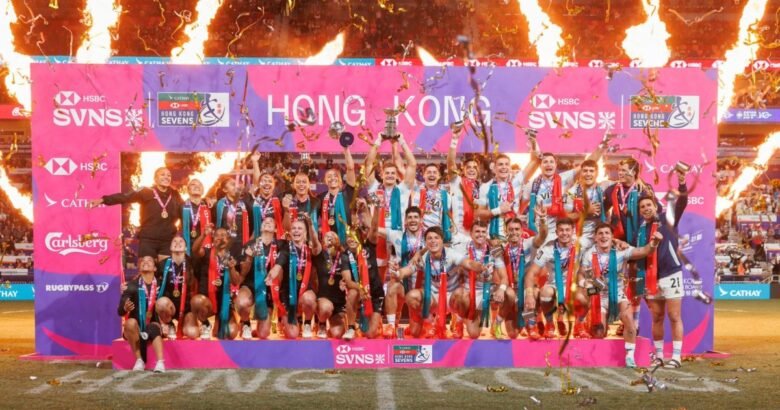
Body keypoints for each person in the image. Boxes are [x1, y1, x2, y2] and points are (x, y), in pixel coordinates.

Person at [578, 223, 661, 367]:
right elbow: (581, 273)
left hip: (618, 294)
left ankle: (630, 356)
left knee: (629, 320)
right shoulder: (589, 254)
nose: (604, 236)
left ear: (612, 236)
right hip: (599, 296)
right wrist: (585, 283)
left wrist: (654, 242)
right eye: (600, 233)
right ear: (595, 237)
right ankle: (590, 322)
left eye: (607, 233)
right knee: (598, 332)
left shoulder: (621, 251)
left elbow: (643, 251)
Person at [640, 168, 689, 368]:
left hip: (671, 273)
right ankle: (659, 356)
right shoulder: (641, 230)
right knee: (657, 317)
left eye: (648, 205)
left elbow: (682, 202)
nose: (646, 208)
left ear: (655, 205)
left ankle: (676, 357)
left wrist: (682, 183)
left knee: (674, 316)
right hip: (652, 277)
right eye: (642, 207)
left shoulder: (667, 218)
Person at [401, 227, 486, 339]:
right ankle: (430, 322)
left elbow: (469, 263)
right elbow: (408, 269)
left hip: (452, 299)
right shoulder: (423, 257)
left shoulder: (452, 254)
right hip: (433, 299)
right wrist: (397, 273)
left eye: (436, 238)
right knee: (412, 301)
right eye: (429, 238)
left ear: (442, 240)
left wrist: (481, 267)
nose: (433, 241)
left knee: (474, 333)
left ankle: (459, 322)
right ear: (425, 242)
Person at [91, 167, 182, 261]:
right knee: (147, 266)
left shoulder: (175, 194)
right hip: (148, 240)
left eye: (169, 175)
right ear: (155, 178)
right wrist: (104, 200)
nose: (166, 177)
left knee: (166, 268)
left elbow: (184, 211)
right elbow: (125, 197)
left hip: (167, 241)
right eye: (162, 174)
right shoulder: (145, 191)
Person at [523, 144, 605, 241]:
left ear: (555, 165)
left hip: (562, 232)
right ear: (540, 166)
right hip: (540, 231)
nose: (548, 164)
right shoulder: (532, 185)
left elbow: (585, 165)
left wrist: (603, 146)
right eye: (545, 162)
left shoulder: (564, 179)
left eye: (551, 162)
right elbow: (521, 205)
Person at [364, 132, 417, 280]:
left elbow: (412, 164)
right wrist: (379, 140)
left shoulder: (403, 189)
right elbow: (368, 164)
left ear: (396, 175)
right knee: (377, 278)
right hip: (378, 236)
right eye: (387, 173)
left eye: (393, 173)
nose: (390, 175)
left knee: (397, 277)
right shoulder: (374, 189)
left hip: (398, 236)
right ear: (381, 174)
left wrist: (402, 141)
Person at [523, 217, 579, 339]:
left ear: (573, 231)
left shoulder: (580, 245)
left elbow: (601, 242)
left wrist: (617, 242)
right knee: (539, 294)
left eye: (567, 230)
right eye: (561, 230)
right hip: (548, 285)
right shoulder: (546, 249)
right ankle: (542, 323)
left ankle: (580, 324)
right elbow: (531, 274)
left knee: (587, 294)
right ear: (556, 232)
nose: (564, 233)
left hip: (572, 286)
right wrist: (529, 294)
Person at [238, 217, 288, 339]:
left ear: (275, 229)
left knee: (263, 334)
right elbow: (243, 273)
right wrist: (249, 259)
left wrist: (276, 268)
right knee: (242, 302)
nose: (267, 222)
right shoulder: (250, 244)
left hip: (270, 289)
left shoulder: (281, 244)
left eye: (271, 222)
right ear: (260, 228)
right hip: (251, 285)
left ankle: (260, 324)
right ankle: (245, 323)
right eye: (264, 221)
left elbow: (286, 255)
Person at [501, 211, 548, 339]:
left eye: (517, 229)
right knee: (513, 335)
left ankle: (531, 324)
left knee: (534, 293)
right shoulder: (502, 248)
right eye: (510, 229)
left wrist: (542, 220)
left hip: (527, 289)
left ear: (522, 231)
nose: (514, 232)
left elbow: (542, 236)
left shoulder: (529, 244)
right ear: (506, 231)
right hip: (511, 292)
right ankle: (515, 317)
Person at [380, 206, 424, 338]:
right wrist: (369, 210)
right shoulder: (397, 235)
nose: (412, 220)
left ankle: (418, 323)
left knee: (416, 333)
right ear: (405, 221)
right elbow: (374, 229)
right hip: (402, 283)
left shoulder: (428, 238)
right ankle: (391, 325)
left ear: (421, 220)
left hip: (420, 287)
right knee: (392, 286)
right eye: (409, 217)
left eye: (416, 217)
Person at [273, 217, 320, 339]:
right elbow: (278, 263)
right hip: (288, 295)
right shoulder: (284, 248)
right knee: (292, 334)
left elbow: (317, 245)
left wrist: (311, 226)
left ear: (305, 233)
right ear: (290, 232)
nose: (296, 230)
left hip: (305, 291)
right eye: (293, 228)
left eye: (300, 228)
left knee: (309, 299)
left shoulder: (310, 249)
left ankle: (307, 323)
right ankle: (293, 319)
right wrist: (272, 273)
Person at [117, 256, 166, 372]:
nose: (145, 262)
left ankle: (160, 363)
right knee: (129, 323)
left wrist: (167, 322)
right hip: (136, 327)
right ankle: (139, 361)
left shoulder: (162, 284)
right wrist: (125, 308)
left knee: (153, 327)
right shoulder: (131, 285)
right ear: (139, 268)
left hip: (154, 324)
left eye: (149, 260)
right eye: (143, 261)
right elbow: (120, 312)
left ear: (155, 268)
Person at [476, 153, 538, 242]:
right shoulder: (485, 187)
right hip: (494, 236)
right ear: (494, 168)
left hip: (515, 233)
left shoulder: (516, 182)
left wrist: (533, 146)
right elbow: (478, 214)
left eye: (506, 164)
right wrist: (498, 210)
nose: (504, 167)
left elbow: (534, 162)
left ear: (510, 168)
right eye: (500, 164)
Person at [462, 221, 508, 339]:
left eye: (483, 232)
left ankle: (496, 324)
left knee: (509, 294)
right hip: (469, 291)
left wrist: (501, 289)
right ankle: (459, 319)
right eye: (477, 231)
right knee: (474, 334)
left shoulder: (495, 250)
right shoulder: (463, 248)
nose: (480, 234)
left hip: (487, 289)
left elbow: (504, 277)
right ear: (471, 234)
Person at [195, 226, 241, 340]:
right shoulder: (206, 252)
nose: (220, 238)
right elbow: (195, 250)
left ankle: (219, 319)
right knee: (196, 301)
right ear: (213, 238)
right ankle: (205, 324)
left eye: (223, 235)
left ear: (228, 239)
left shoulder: (231, 256)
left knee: (231, 333)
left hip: (224, 301)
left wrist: (232, 268)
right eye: (217, 235)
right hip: (208, 300)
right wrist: (203, 235)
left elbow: (236, 282)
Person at [446, 125, 483, 252]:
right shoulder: (457, 182)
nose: (472, 169)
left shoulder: (483, 188)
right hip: (458, 235)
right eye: (469, 167)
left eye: (475, 167)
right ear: (463, 170)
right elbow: (450, 164)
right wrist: (454, 139)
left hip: (477, 235)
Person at [154, 237, 197, 340]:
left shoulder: (192, 263)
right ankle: (170, 324)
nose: (177, 243)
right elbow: (150, 279)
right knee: (161, 302)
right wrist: (128, 286)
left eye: (181, 241)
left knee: (192, 333)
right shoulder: (163, 264)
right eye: (174, 241)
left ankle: (189, 324)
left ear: (186, 248)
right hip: (169, 306)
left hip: (187, 306)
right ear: (170, 247)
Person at [565, 159, 607, 251]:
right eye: (585, 171)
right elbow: (566, 217)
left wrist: (637, 180)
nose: (588, 174)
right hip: (580, 236)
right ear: (581, 173)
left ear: (597, 173)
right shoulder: (572, 193)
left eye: (591, 171)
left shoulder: (604, 188)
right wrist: (585, 212)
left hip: (601, 236)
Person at [318, 144, 357, 244]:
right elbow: (313, 217)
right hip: (328, 242)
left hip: (346, 241)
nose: (332, 178)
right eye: (329, 176)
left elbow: (351, 168)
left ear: (340, 179)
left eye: (335, 175)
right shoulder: (321, 198)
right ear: (325, 181)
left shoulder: (347, 193)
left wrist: (346, 149)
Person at [315, 231, 349, 339]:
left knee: (337, 334)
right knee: (326, 308)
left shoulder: (343, 257)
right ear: (322, 242)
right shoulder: (320, 255)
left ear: (338, 241)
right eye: (327, 237)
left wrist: (345, 282)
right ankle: (321, 324)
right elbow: (315, 243)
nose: (330, 238)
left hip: (339, 302)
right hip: (324, 299)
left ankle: (332, 326)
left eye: (333, 236)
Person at [409, 163, 454, 243]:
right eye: (429, 172)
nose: (432, 174)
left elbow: (448, 217)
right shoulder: (416, 191)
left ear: (439, 176)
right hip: (420, 236)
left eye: (434, 172)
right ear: (424, 175)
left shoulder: (445, 195)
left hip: (437, 236)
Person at [214, 178, 255, 259]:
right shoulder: (219, 205)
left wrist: (250, 242)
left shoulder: (245, 204)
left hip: (243, 244)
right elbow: (216, 226)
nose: (236, 186)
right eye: (233, 184)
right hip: (226, 245)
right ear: (225, 189)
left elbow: (253, 223)